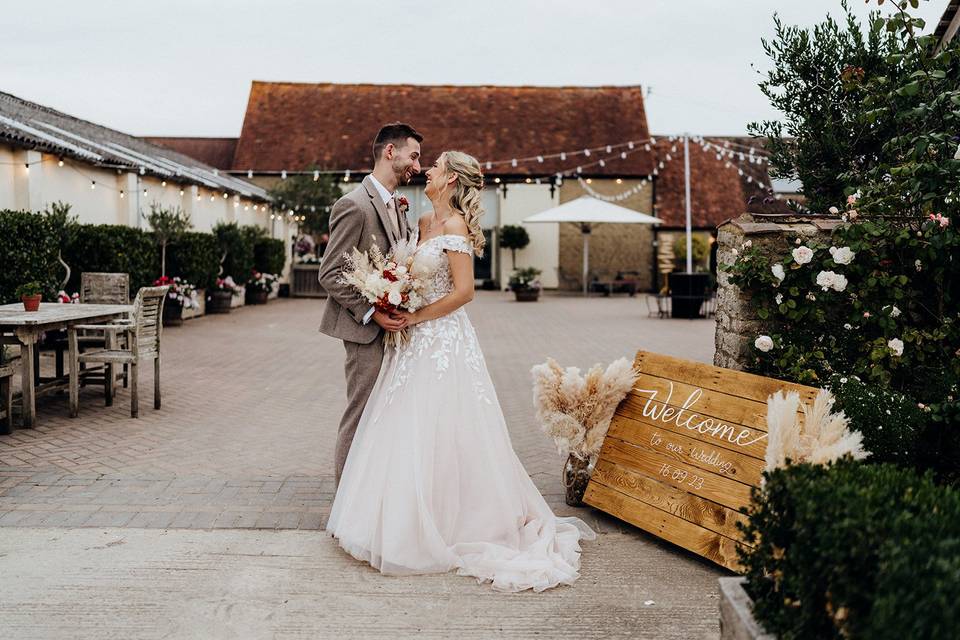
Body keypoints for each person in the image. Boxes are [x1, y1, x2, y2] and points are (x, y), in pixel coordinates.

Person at [327, 150, 595, 592]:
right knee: (406, 427)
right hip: (410, 342)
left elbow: (465, 292)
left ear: (449, 180)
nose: (426, 170)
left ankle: (458, 521)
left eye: (433, 166)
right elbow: (409, 274)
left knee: (450, 426)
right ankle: (404, 515)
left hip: (443, 338)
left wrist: (414, 315)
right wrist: (395, 296)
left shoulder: (454, 227)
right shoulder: (419, 223)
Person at [318, 122, 422, 483]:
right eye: (414, 156)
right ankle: (344, 503)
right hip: (364, 332)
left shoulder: (398, 205)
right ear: (390, 152)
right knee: (360, 413)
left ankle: (372, 492)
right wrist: (372, 313)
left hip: (392, 328)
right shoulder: (354, 205)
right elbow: (330, 273)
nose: (418, 166)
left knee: (385, 414)